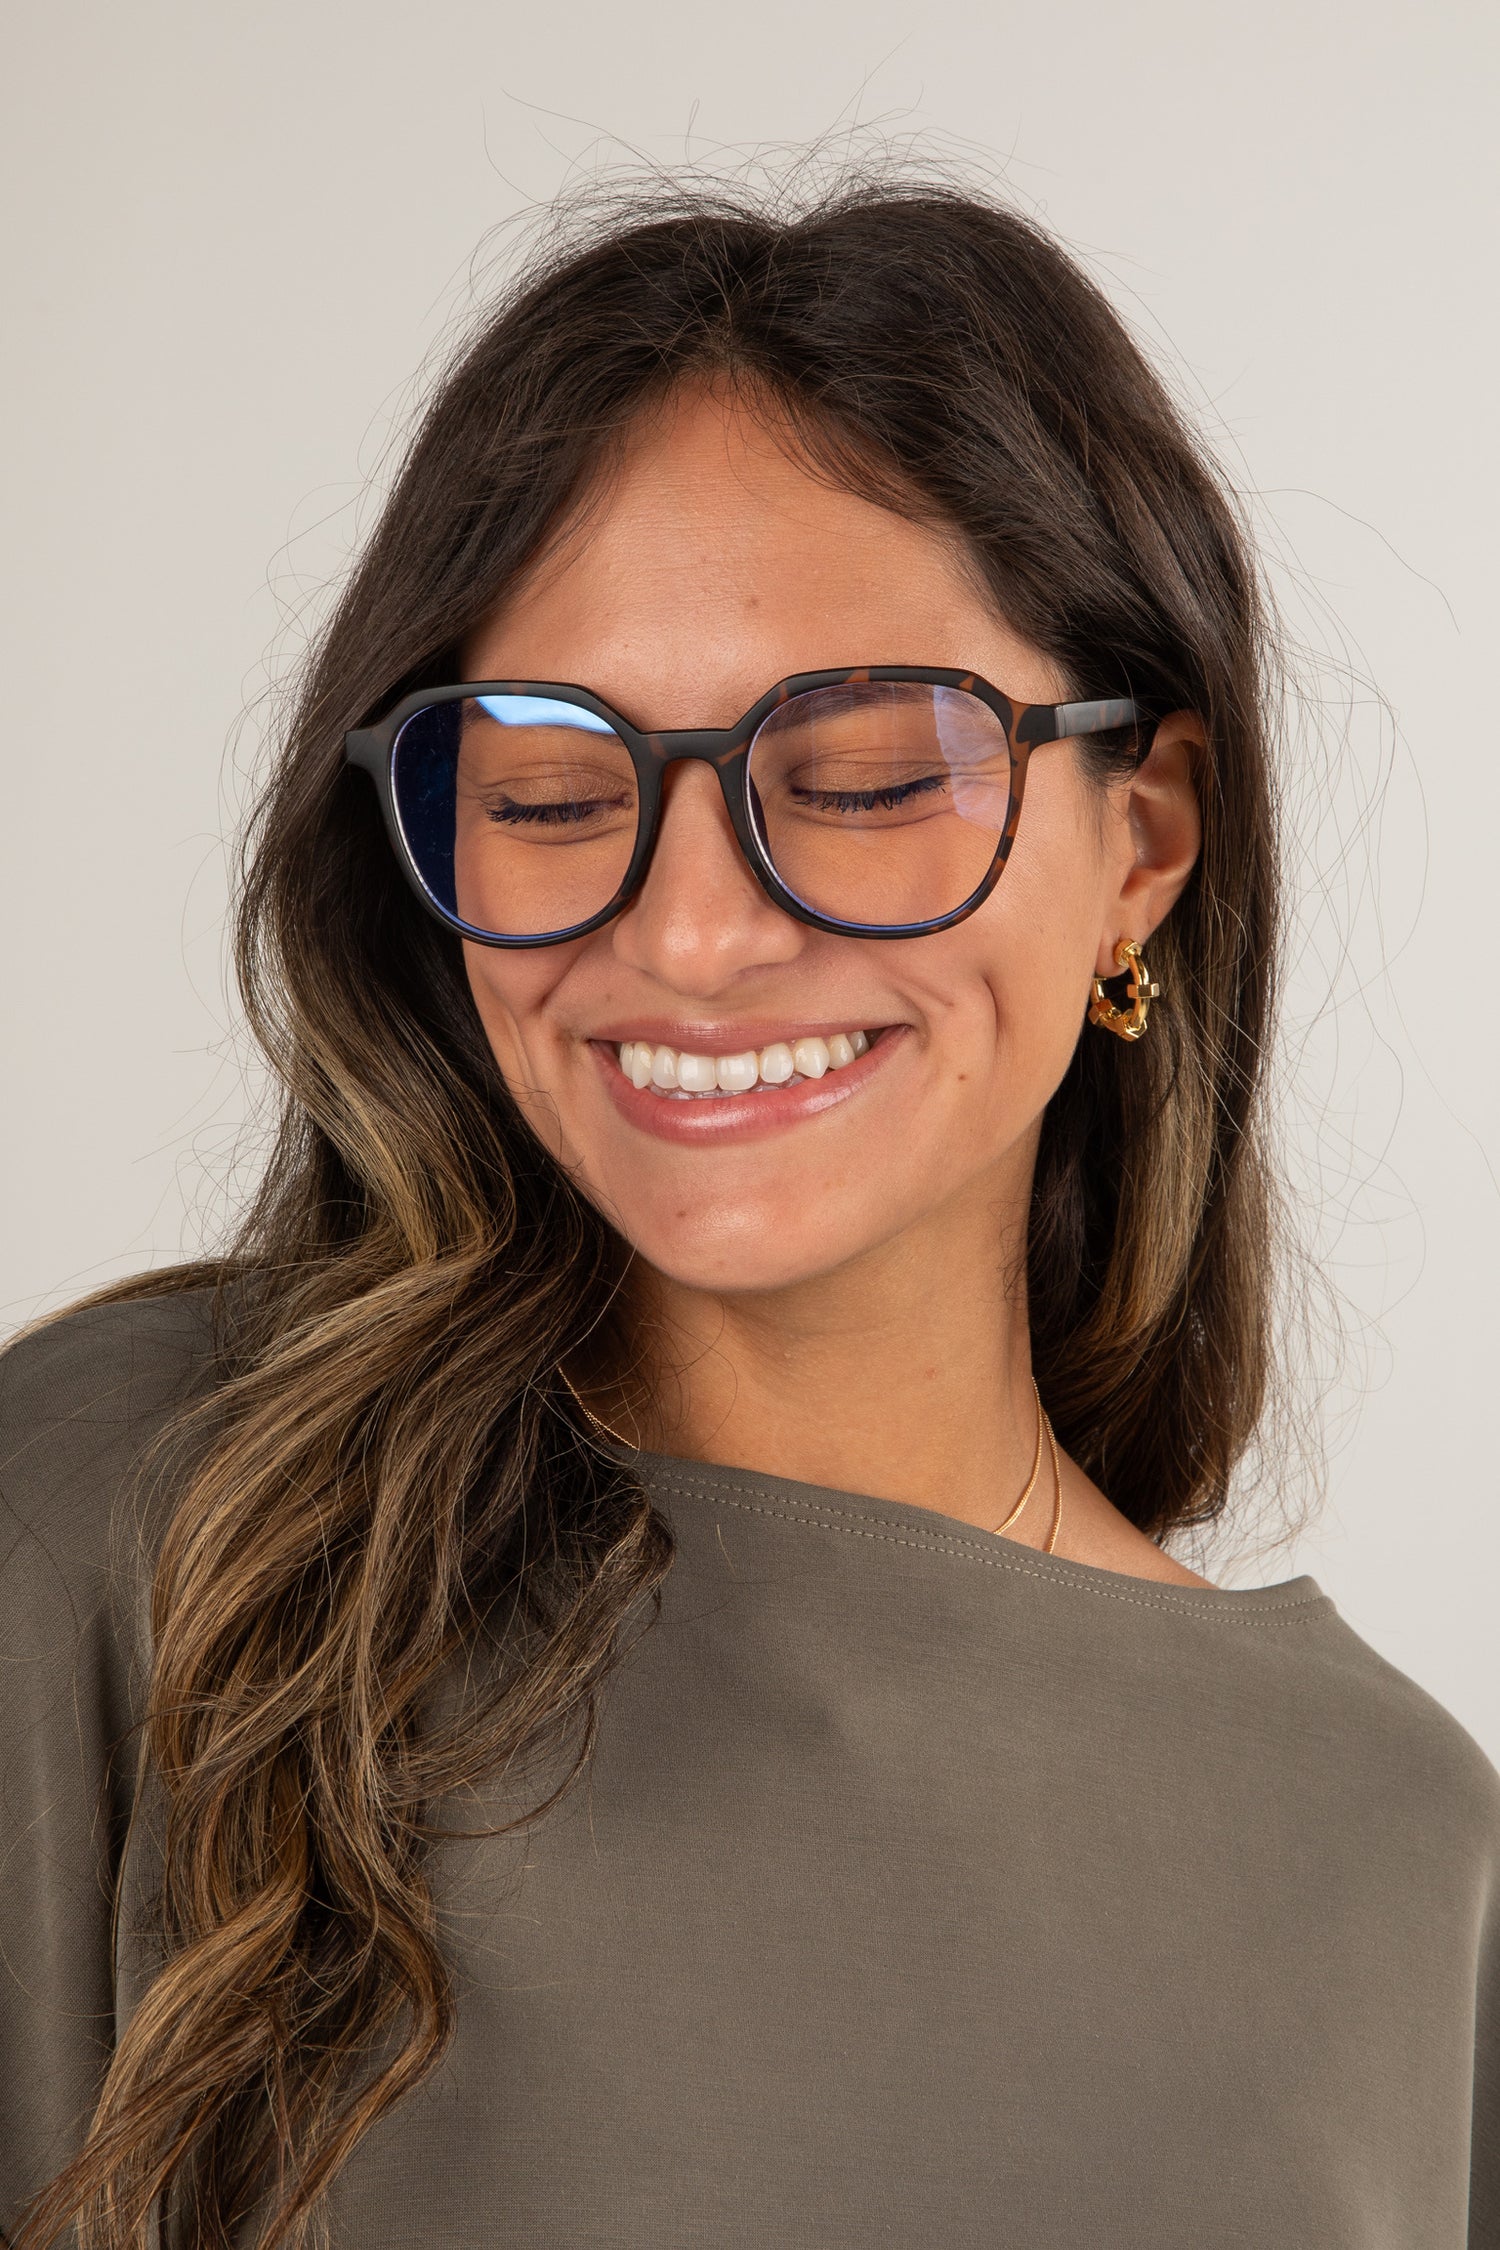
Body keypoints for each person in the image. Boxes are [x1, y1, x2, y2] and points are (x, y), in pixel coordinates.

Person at [3, 176, 1496, 2250]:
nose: (691, 932)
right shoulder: (127, 1522)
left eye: (871, 779)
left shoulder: (1397, 1852)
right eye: (549, 795)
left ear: (1142, 846)